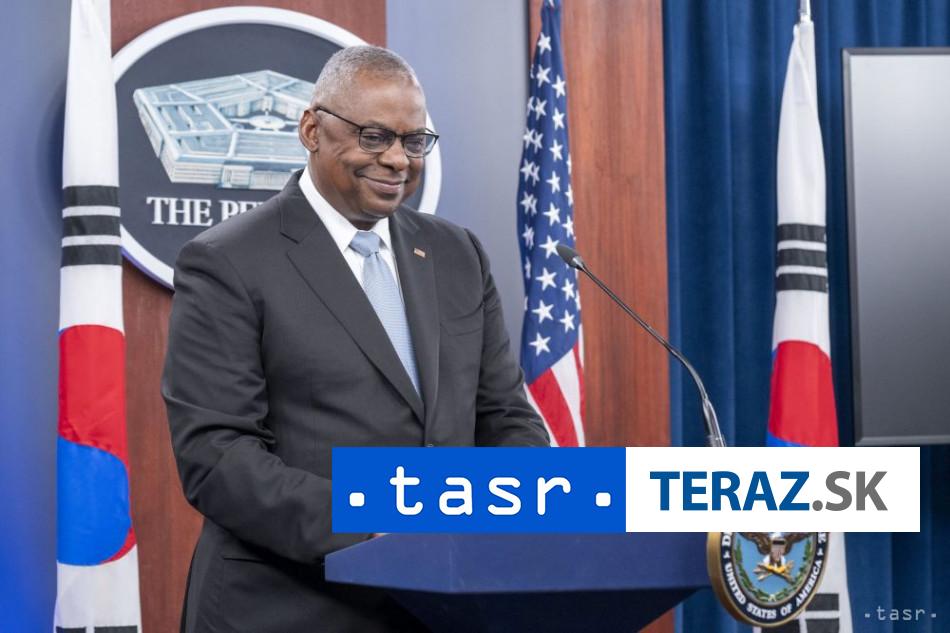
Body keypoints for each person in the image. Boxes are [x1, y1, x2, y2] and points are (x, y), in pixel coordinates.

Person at [162, 45, 550, 633]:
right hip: (287, 607)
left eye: (414, 141)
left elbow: (506, 417)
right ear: (311, 130)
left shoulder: (457, 254)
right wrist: (380, 527)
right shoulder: (227, 260)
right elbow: (217, 456)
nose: (397, 159)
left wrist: (512, 511)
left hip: (445, 607)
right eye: (374, 137)